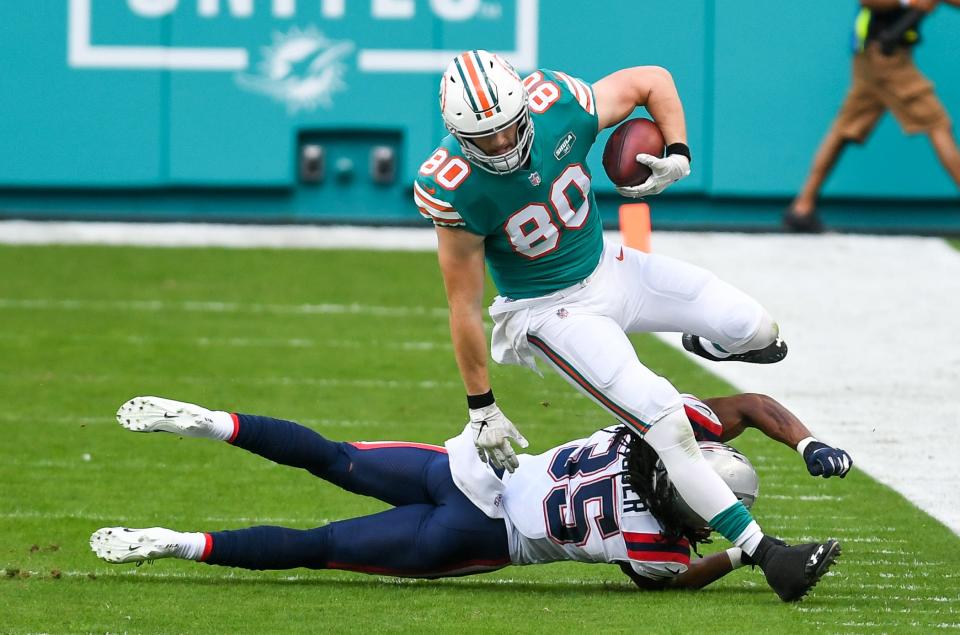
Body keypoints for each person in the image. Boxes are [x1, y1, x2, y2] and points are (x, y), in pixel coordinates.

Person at [413, 50, 821, 600]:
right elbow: (463, 305)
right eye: (484, 139)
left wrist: (677, 152)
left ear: (524, 110)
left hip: (609, 267)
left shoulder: (557, 103)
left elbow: (652, 79)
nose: (503, 146)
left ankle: (706, 343)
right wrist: (481, 405)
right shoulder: (453, 186)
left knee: (753, 328)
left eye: (509, 130)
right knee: (665, 419)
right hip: (550, 311)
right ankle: (764, 550)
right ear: (458, 136)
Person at [91, 394, 848, 597]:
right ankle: (177, 542)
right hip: (472, 540)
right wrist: (738, 555)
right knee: (319, 546)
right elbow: (670, 577)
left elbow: (747, 402)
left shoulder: (643, 429)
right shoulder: (654, 541)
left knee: (333, 455)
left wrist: (805, 439)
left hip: (468, 471)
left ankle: (214, 421)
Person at [785, 0, 960, 232]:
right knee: (938, 124)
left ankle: (802, 206)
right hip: (885, 59)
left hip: (879, 58)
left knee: (843, 129)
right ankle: (802, 205)